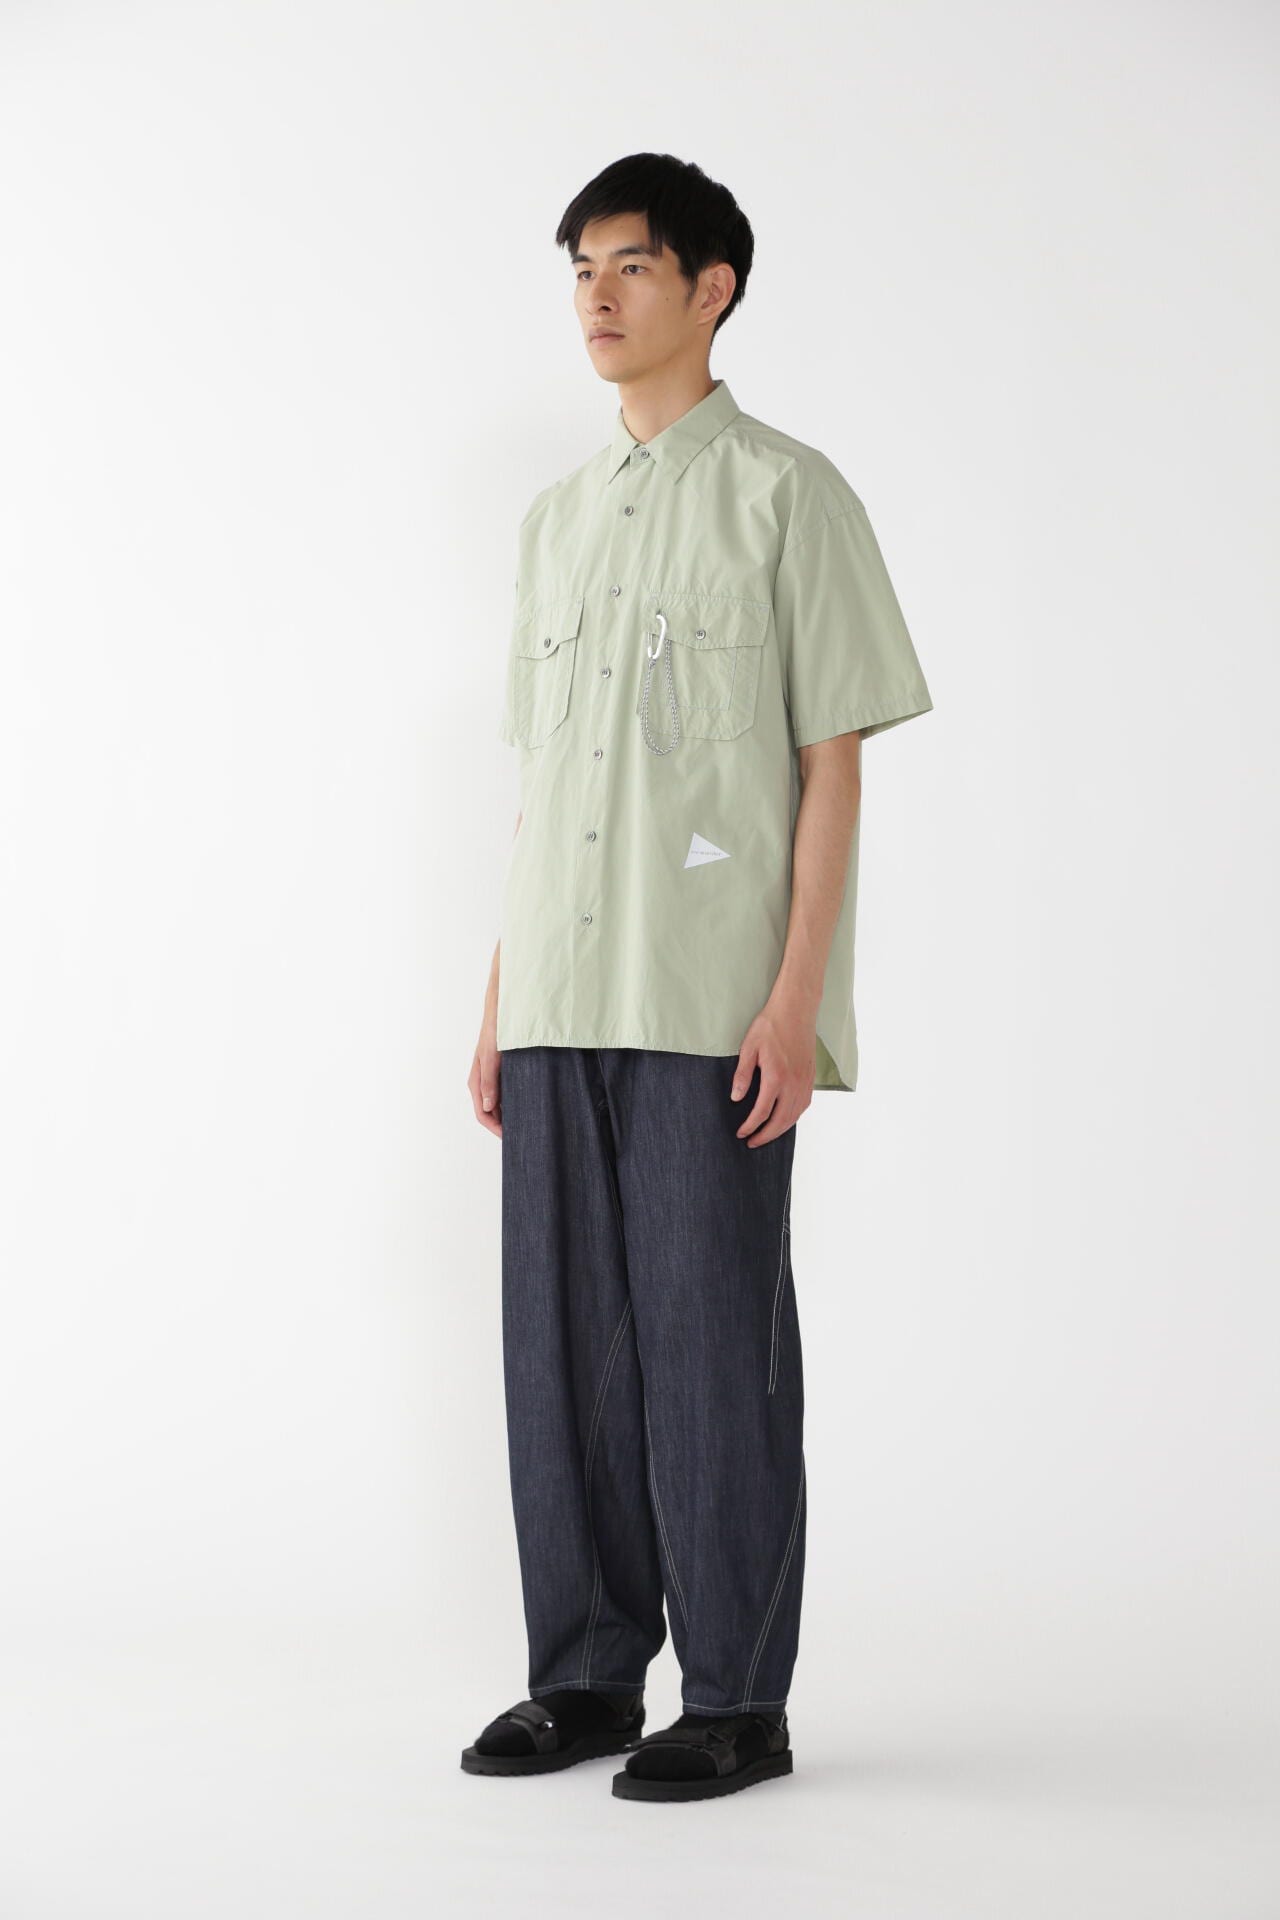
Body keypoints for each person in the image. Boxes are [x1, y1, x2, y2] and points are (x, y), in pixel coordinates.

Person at [462, 152, 933, 1803]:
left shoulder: (791, 497)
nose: (597, 297)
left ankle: (735, 1700)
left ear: (712, 287)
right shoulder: (555, 523)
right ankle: (588, 1675)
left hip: (708, 1003)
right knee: (563, 1360)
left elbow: (832, 766)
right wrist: (498, 1004)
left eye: (633, 267)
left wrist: (798, 998)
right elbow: (546, 789)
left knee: (712, 1346)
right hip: (559, 1000)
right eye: (581, 269)